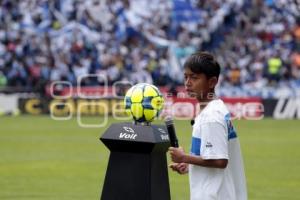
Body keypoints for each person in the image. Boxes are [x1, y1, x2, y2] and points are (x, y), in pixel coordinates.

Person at [169, 52, 247, 200]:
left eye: (194, 77)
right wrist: (188, 164)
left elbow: (220, 161)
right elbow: (210, 154)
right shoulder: (212, 108)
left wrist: (184, 157)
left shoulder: (211, 117)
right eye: (186, 77)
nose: (188, 82)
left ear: (212, 82)